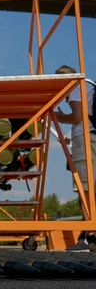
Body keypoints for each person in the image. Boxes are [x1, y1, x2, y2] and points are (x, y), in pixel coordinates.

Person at [54, 65, 96, 250]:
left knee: (85, 189)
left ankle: (89, 237)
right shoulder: (89, 85)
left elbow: (77, 117)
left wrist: (59, 117)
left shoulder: (74, 86)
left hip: (85, 139)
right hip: (91, 136)